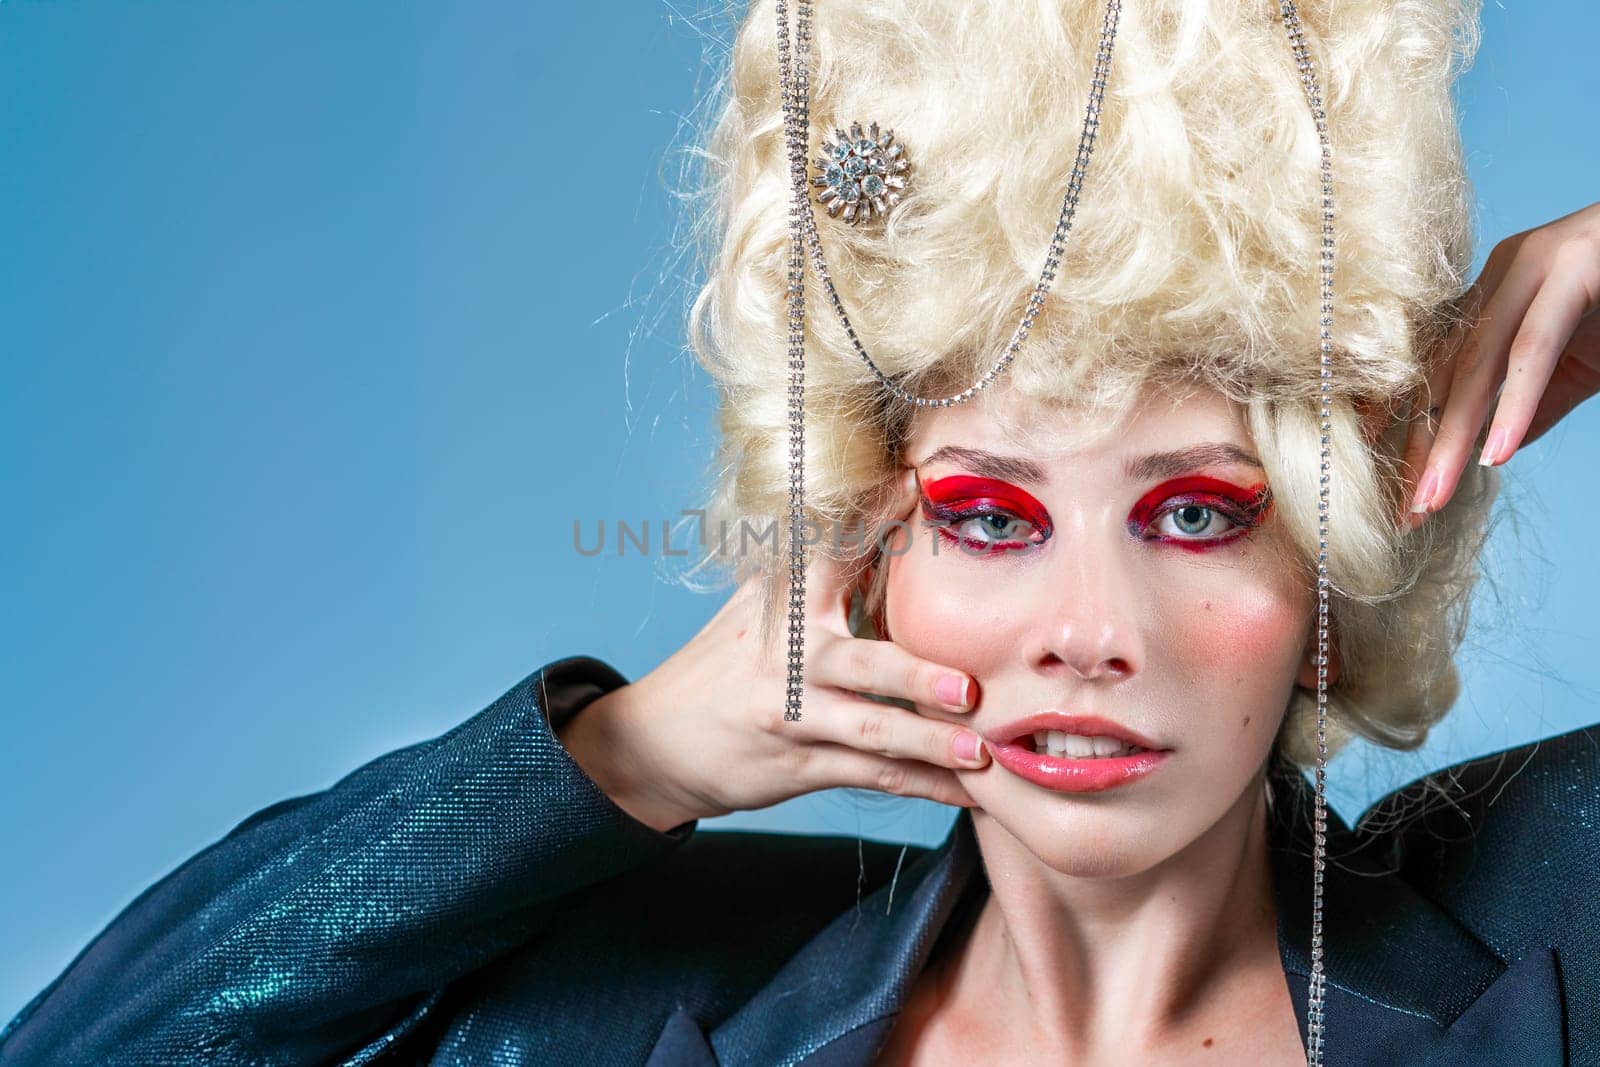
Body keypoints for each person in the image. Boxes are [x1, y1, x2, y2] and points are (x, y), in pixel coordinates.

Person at [3, 0, 1597, 1063]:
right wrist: (628, 758)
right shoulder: (655, 994)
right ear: (866, 554)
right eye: (986, 516)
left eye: (1193, 513)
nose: (1088, 629)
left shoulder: (1553, 912)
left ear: (1332, 549)